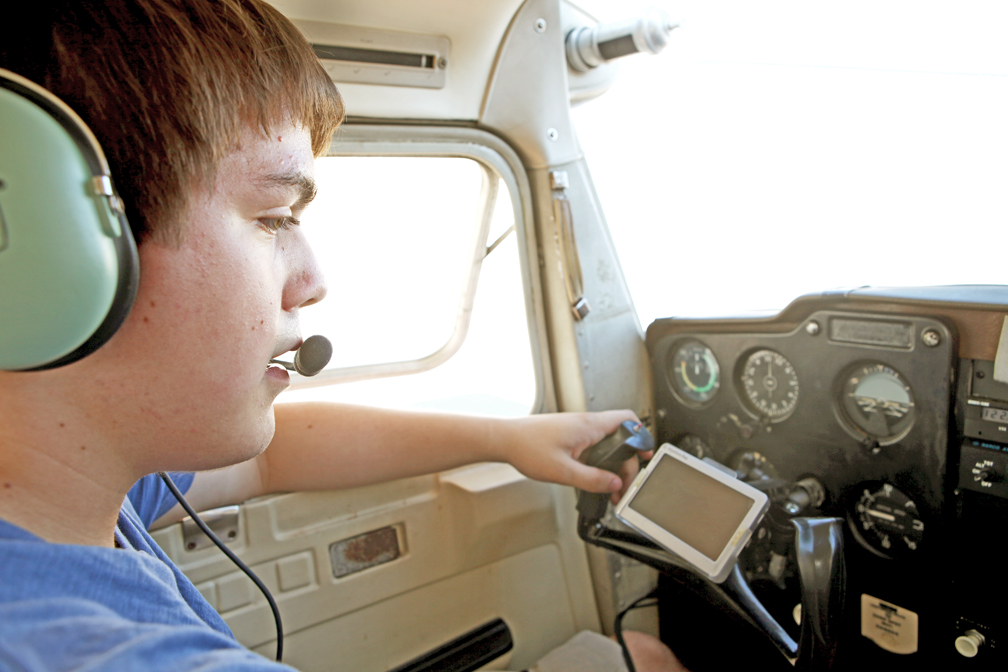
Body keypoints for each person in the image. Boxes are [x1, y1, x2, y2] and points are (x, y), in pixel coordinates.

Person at [0, 1, 687, 670]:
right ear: (53, 241)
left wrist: (506, 438)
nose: (313, 280)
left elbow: (270, 459)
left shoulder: (69, 486)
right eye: (272, 218)